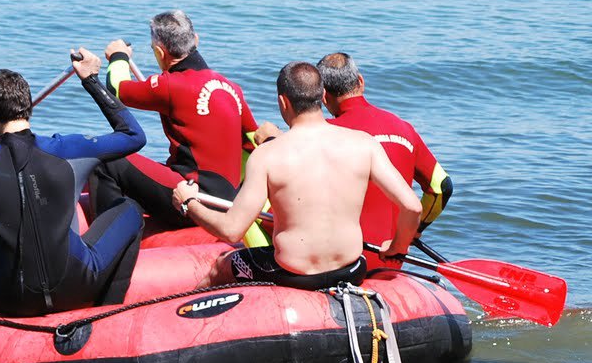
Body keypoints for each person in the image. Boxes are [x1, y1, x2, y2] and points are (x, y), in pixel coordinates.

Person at [0, 49, 146, 317]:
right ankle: (109, 313)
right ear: (27, 107)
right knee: (130, 209)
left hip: (11, 300)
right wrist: (90, 80)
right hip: (80, 286)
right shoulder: (69, 149)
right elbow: (134, 135)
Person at [171, 61, 421, 290]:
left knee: (222, 266)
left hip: (292, 273)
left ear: (283, 102)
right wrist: (397, 246)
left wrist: (188, 202)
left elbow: (232, 230)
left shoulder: (267, 156)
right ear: (323, 97)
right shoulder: (364, 145)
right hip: (352, 270)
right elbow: (412, 206)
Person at [88, 10, 269, 233]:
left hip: (192, 200)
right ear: (196, 40)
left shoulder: (171, 85)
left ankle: (103, 240)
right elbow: (252, 144)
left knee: (105, 157)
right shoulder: (231, 88)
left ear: (159, 52)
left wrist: (118, 56)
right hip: (226, 202)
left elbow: (117, 88)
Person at [316, 52, 451, 266]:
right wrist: (412, 231)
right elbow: (441, 187)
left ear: (323, 96)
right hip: (392, 260)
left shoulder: (323, 132)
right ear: (361, 82)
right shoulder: (403, 127)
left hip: (345, 263)